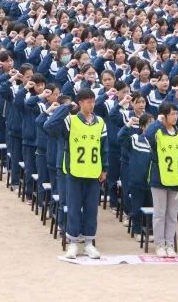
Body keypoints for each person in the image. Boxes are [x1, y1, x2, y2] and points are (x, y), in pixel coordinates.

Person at [45, 87, 107, 259]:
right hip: (74, 172)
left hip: (93, 173)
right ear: (80, 103)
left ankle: (88, 243)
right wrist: (65, 108)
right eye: (88, 102)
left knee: (90, 209)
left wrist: (105, 168)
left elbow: (104, 147)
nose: (92, 105)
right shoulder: (70, 121)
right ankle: (72, 242)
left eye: (93, 101)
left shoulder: (100, 122)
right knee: (73, 208)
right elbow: (48, 126)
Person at [143, 102, 178, 258]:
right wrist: (158, 122)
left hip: (177, 181)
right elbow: (148, 135)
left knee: (172, 214)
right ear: (164, 116)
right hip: (159, 179)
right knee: (160, 213)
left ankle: (169, 243)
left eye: (176, 113)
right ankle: (159, 244)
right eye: (172, 114)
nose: (175, 116)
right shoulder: (157, 132)